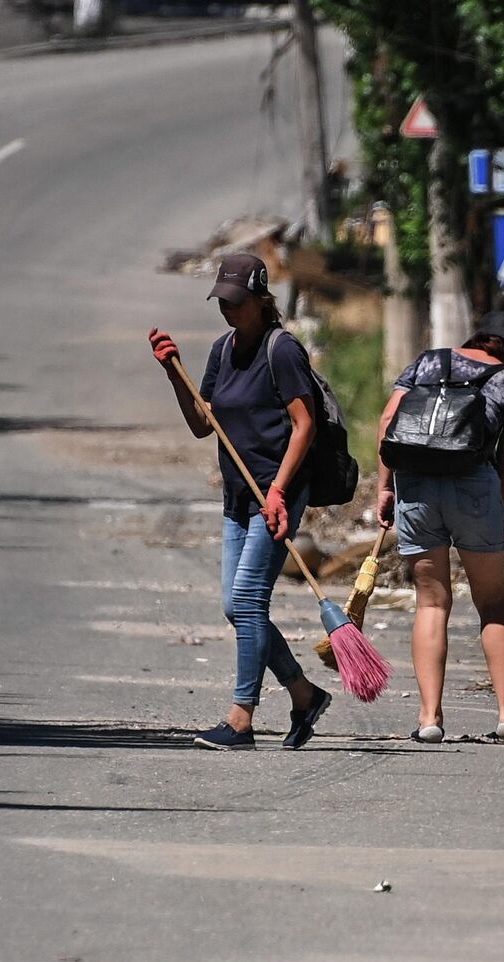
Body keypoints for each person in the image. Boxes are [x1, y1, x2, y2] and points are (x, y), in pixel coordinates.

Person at [148, 253, 333, 751]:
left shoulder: (283, 350)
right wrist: (174, 373)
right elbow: (202, 424)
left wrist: (278, 491)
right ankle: (303, 692)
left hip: (276, 495)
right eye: (222, 302)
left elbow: (305, 424)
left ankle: (241, 718)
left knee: (249, 599)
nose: (228, 310)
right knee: (235, 606)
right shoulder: (222, 350)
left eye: (237, 301)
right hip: (237, 496)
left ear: (260, 298)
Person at [377, 310, 504, 745]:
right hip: (474, 485)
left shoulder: (427, 362)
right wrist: (500, 511)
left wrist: (385, 489)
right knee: (491, 603)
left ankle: (429, 718)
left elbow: (388, 423)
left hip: (415, 483)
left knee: (431, 603)